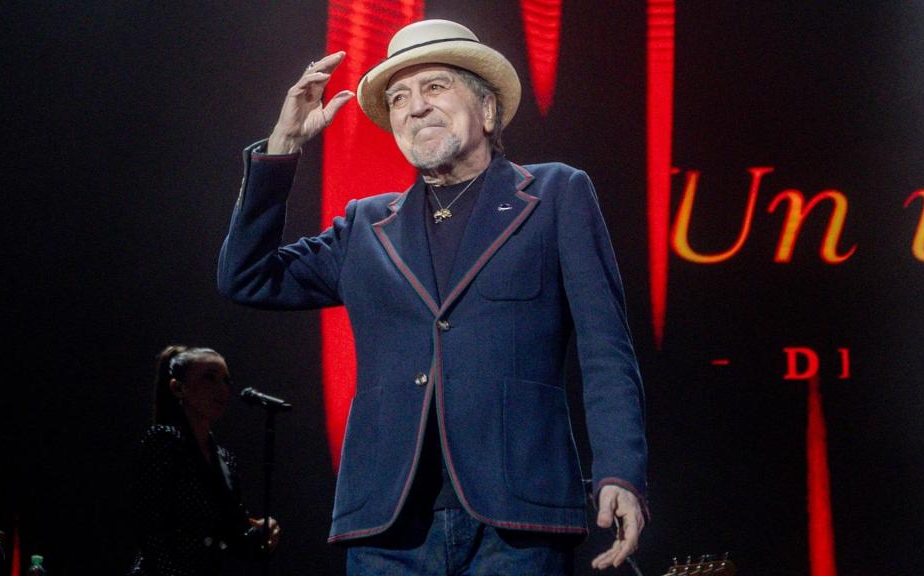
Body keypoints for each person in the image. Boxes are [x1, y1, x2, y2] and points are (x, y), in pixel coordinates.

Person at [218, 19, 647, 574]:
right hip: (387, 525)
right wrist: (283, 149)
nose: (414, 107)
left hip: (517, 519)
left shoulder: (557, 193)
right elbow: (246, 276)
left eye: (435, 87)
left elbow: (605, 348)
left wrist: (620, 471)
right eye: (398, 97)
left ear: (488, 109)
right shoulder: (365, 225)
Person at [127, 345, 279, 576]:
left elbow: (235, 539)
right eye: (210, 377)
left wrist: (262, 531)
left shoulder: (224, 458)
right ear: (178, 388)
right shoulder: (165, 441)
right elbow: (150, 529)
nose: (222, 388)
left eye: (226, 381)